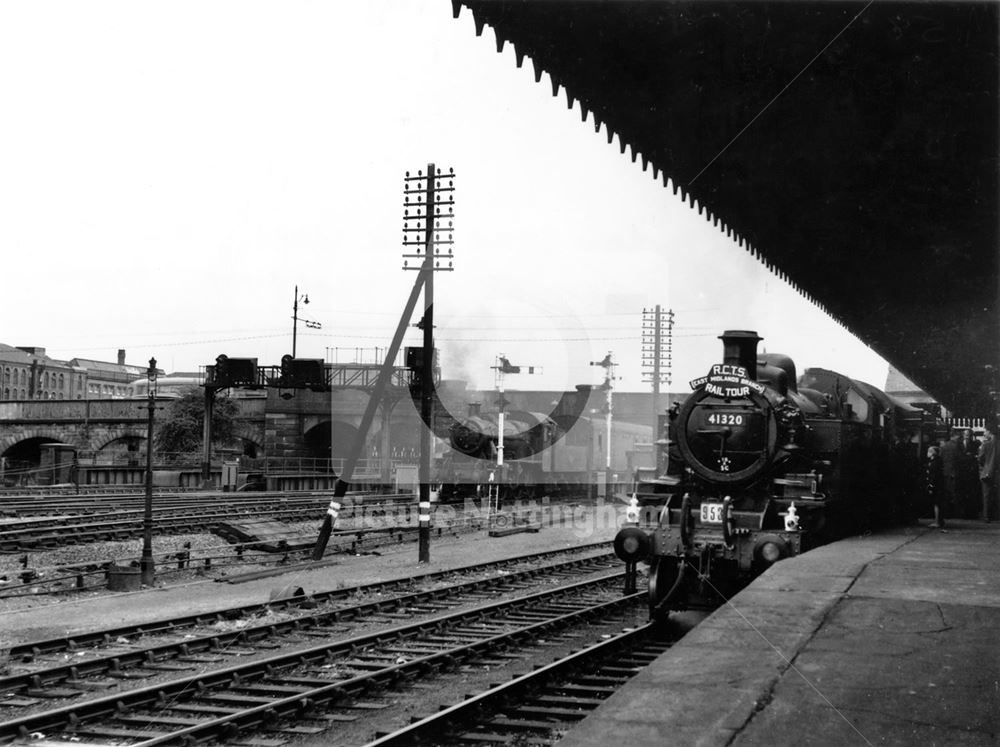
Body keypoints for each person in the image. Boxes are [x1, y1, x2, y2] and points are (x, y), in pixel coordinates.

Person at [978, 427, 997, 522]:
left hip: (987, 473)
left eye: (985, 431)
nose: (984, 433)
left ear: (989, 432)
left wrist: (985, 467)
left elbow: (980, 458)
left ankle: (986, 516)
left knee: (986, 495)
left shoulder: (985, 445)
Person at [925, 445, 945, 528]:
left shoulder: (933, 463)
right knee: (938, 503)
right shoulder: (938, 461)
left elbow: (933, 476)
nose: (927, 453)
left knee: (936, 503)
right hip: (938, 485)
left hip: (935, 485)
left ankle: (937, 521)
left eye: (929, 451)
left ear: (933, 453)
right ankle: (939, 520)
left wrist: (931, 486)